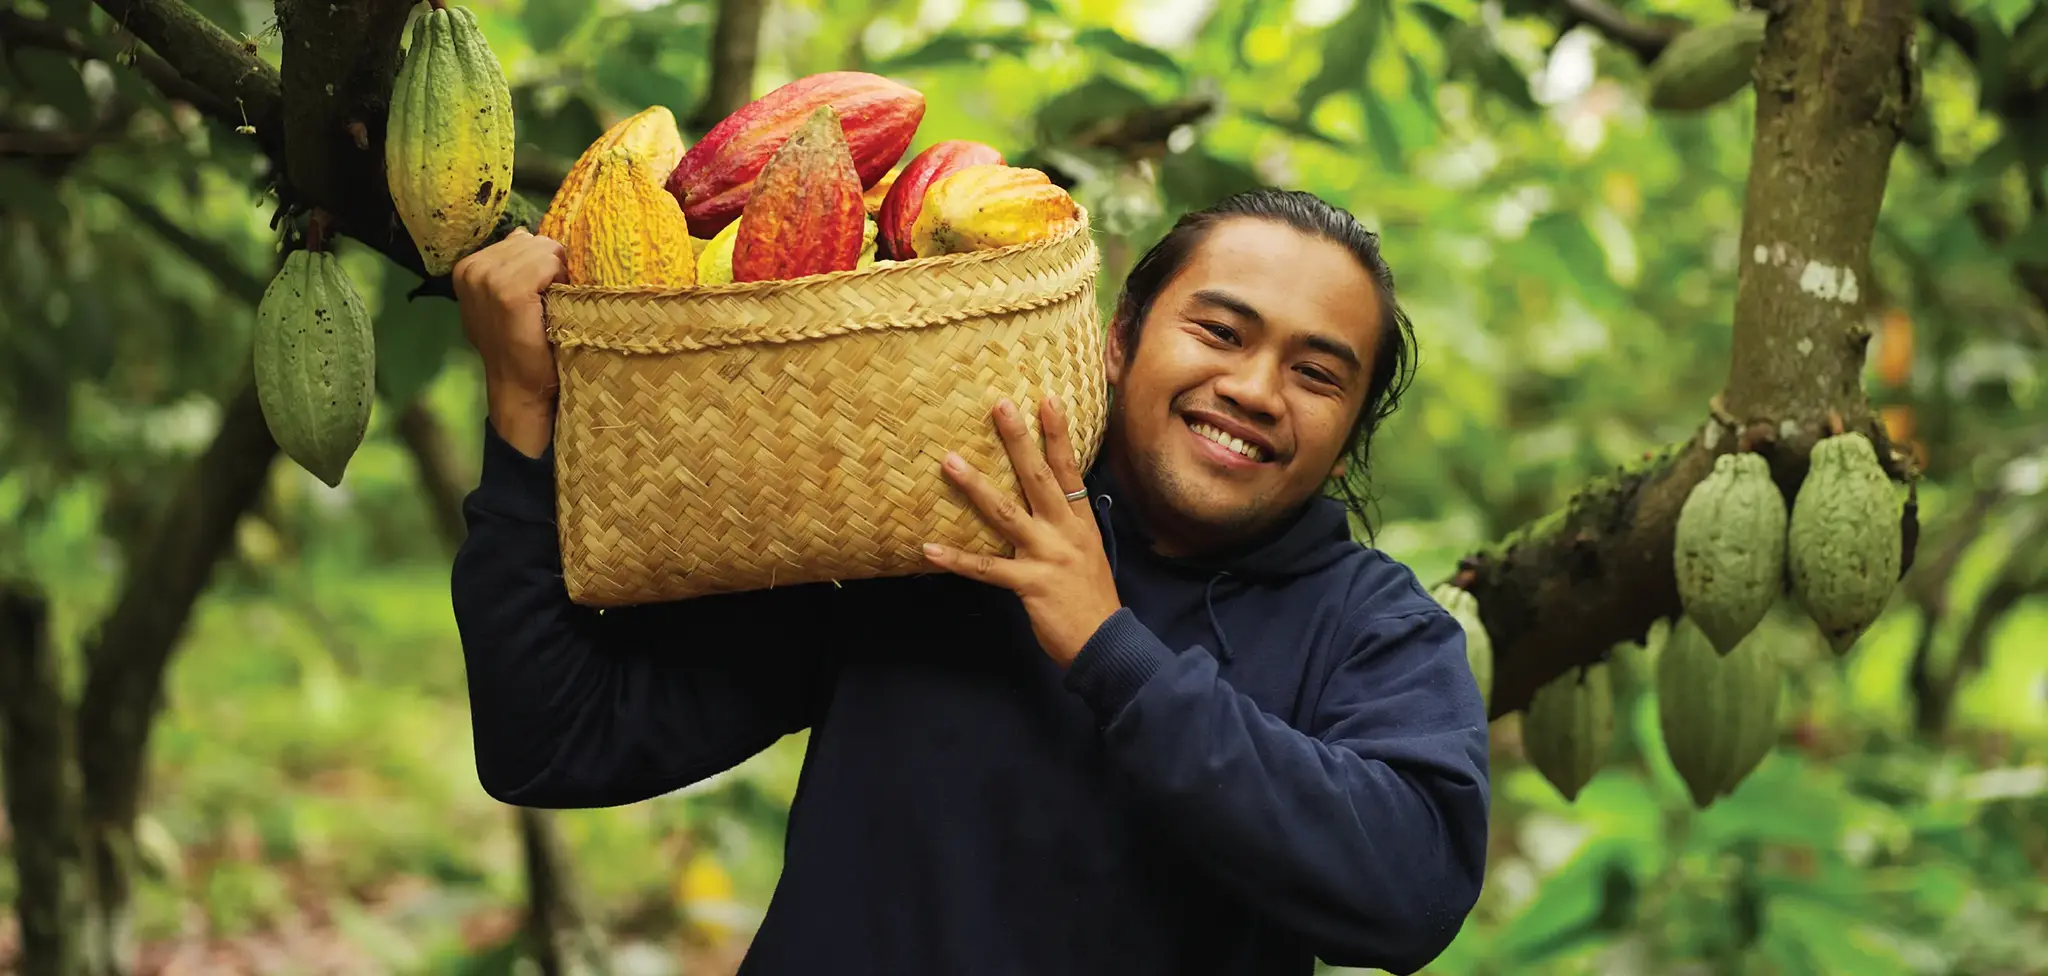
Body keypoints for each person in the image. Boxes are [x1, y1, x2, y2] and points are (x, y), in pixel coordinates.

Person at [448, 187, 1491, 976]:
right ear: (1117, 342)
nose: (1254, 389)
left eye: (1317, 373)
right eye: (1219, 331)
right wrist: (523, 429)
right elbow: (556, 740)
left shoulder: (1376, 628)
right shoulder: (936, 517)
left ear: (1349, 441)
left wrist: (1110, 649)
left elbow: (1410, 889)